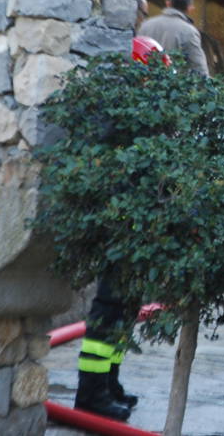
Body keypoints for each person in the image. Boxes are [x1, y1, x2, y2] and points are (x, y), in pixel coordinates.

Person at [74, 36, 167, 420]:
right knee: (109, 307)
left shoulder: (140, 113)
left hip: (137, 226)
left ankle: (109, 383)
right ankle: (91, 394)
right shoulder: (116, 116)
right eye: (151, 78)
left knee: (126, 307)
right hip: (119, 227)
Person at [137, 0, 209, 76]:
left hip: (145, 85)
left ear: (168, 3)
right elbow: (199, 69)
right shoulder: (189, 32)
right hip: (173, 87)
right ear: (190, 9)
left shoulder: (145, 25)